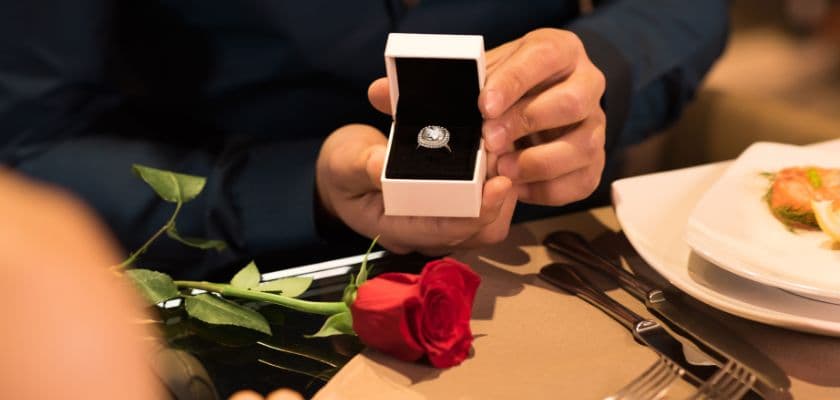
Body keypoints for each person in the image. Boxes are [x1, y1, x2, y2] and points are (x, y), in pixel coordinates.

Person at [0, 1, 729, 279]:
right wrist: (294, 189)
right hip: (266, 283)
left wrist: (602, 69)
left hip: (565, 255)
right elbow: (28, 146)